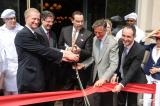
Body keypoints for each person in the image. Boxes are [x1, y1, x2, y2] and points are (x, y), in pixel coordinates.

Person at [14, 8, 79, 96]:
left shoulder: (37, 35)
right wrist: (64, 55)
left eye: (37, 19)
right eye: (34, 19)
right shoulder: (23, 34)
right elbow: (43, 50)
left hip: (39, 79)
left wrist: (66, 53)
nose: (36, 21)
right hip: (29, 80)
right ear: (26, 18)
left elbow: (48, 48)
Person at [75, 19, 119, 106]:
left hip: (106, 79)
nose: (97, 35)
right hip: (95, 77)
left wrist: (103, 78)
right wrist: (83, 64)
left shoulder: (112, 43)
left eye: (100, 32)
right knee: (95, 102)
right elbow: (93, 58)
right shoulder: (95, 39)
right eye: (95, 32)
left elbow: (114, 64)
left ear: (106, 30)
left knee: (106, 102)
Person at [58, 10, 93, 106]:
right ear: (72, 20)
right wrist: (67, 49)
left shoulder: (88, 34)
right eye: (77, 21)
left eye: (82, 21)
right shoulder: (64, 30)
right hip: (66, 69)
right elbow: (59, 46)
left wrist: (80, 50)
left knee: (79, 97)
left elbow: (89, 53)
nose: (80, 23)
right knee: (66, 94)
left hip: (80, 69)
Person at [111, 25, 147, 106]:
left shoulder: (140, 49)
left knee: (132, 103)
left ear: (134, 37)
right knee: (120, 102)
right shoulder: (120, 42)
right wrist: (115, 74)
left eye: (128, 36)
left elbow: (132, 70)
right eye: (123, 35)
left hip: (134, 79)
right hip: (121, 77)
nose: (125, 39)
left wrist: (121, 84)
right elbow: (119, 60)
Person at [0, 9, 23, 95]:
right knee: (6, 96)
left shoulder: (21, 30)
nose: (13, 20)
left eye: (14, 18)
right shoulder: (0, 31)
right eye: (10, 19)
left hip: (18, 66)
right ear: (5, 20)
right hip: (5, 68)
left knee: (17, 94)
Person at [143, 30, 160, 106]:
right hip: (148, 75)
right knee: (146, 98)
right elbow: (140, 44)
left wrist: (158, 69)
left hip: (158, 77)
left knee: (157, 99)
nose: (158, 41)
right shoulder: (151, 46)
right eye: (157, 39)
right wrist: (149, 35)